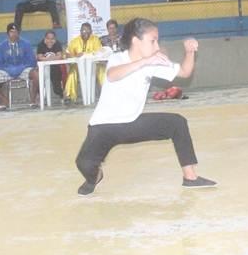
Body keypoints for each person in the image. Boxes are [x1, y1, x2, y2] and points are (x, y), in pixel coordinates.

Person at [74, 17, 216, 195]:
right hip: (103, 126)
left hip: (132, 123)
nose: (157, 46)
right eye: (152, 41)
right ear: (135, 41)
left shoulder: (153, 62)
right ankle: (95, 177)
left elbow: (184, 72)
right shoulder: (118, 58)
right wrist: (145, 62)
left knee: (177, 123)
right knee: (83, 164)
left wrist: (189, 52)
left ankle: (190, 177)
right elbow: (112, 75)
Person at [0, 23, 40, 110]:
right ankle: (4, 100)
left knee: (36, 75)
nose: (14, 34)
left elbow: (31, 61)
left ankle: (33, 101)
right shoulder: (2, 46)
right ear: (7, 33)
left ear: (19, 33)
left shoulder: (26, 44)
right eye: (11, 32)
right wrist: (9, 69)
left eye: (16, 32)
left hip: (23, 69)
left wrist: (20, 68)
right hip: (7, 71)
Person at [64, 22, 103, 104]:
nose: (85, 32)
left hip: (93, 66)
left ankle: (107, 92)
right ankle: (69, 96)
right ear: (80, 31)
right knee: (72, 72)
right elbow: (67, 53)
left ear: (91, 31)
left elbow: (99, 52)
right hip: (79, 67)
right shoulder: (75, 41)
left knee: (101, 69)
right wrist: (74, 56)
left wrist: (85, 54)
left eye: (87, 30)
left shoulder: (95, 39)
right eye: (83, 30)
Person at [37, 30, 65, 98]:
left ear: (55, 39)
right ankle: (41, 97)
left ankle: (61, 93)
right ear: (45, 38)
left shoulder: (57, 43)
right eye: (48, 38)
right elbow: (39, 57)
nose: (50, 41)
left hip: (55, 67)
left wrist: (51, 58)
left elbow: (60, 56)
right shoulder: (41, 44)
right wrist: (49, 59)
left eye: (52, 39)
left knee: (56, 71)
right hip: (43, 68)